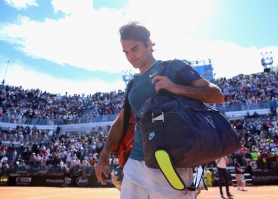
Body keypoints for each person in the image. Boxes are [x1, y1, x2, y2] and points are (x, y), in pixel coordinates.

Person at [95, 21, 224, 199]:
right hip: (136, 163)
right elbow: (120, 122)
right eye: (126, 52)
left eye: (135, 49)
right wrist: (104, 154)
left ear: (149, 44)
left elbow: (216, 95)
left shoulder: (173, 67)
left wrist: (176, 88)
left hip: (171, 165)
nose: (131, 57)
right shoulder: (132, 84)